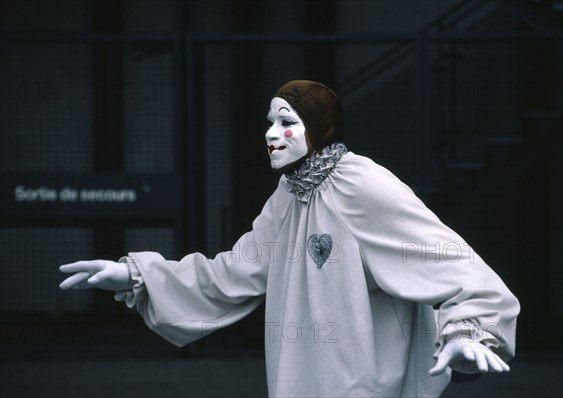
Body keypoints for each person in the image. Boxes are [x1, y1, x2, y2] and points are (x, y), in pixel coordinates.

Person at [60, 80, 520, 397]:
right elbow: (235, 272)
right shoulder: (289, 194)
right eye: (270, 122)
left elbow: (452, 260)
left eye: (286, 122)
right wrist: (133, 275)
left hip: (363, 383)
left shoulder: (364, 185)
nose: (271, 135)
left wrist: (466, 330)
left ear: (320, 128)